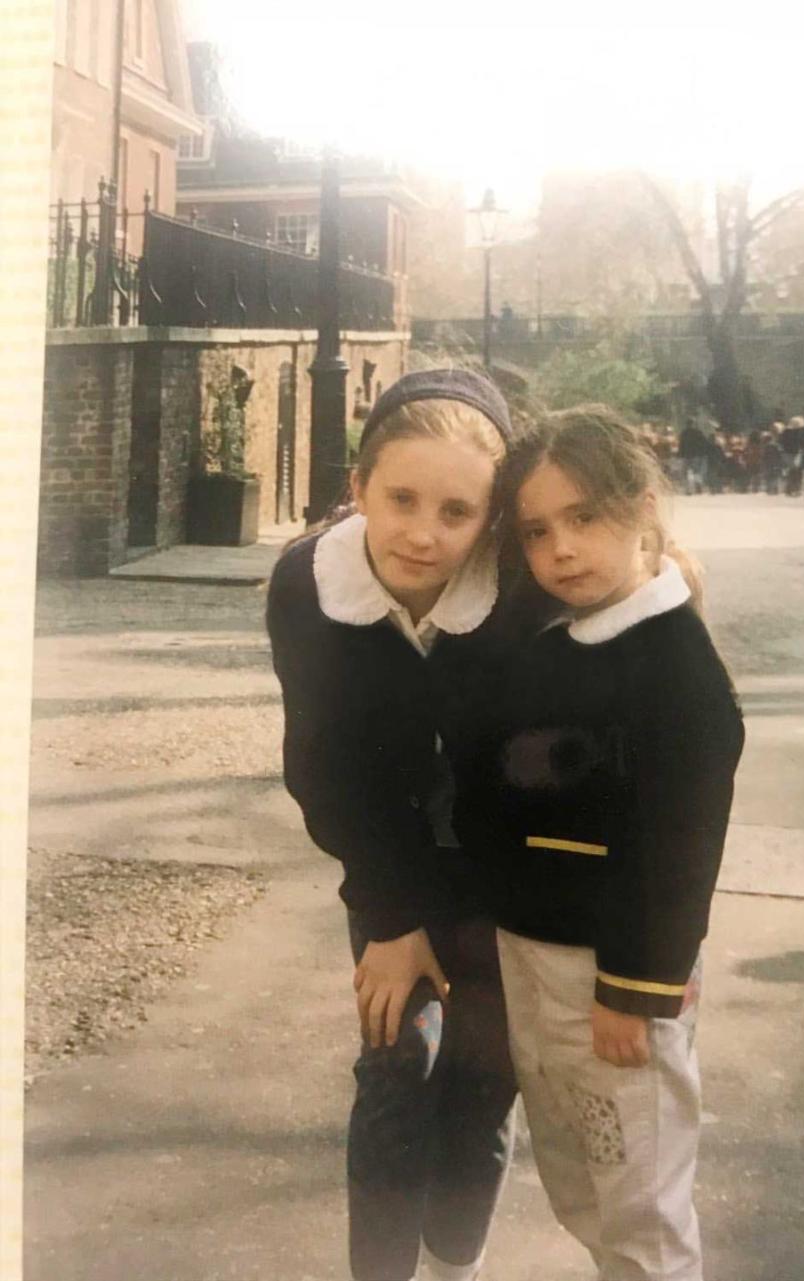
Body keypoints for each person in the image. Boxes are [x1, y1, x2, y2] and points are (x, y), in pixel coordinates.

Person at [447, 409, 745, 1281]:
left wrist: (634, 986)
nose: (562, 548)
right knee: (583, 1177)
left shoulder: (674, 668)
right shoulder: (560, 636)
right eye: (538, 530)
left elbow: (679, 853)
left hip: (609, 980)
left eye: (584, 518)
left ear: (642, 508)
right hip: (532, 954)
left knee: (640, 1199)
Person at [266, 369, 519, 1281]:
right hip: (391, 859)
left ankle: (456, 1266)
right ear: (359, 486)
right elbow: (324, 765)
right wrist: (392, 917)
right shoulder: (311, 583)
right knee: (394, 1066)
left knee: (484, 1085)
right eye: (401, 498)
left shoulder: (517, 596)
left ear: (491, 519)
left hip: (507, 869)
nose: (423, 531)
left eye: (457, 511)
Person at [678, 417, 708, 494]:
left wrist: (680, 454)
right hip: (696, 455)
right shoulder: (697, 432)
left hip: (686, 455)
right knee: (696, 472)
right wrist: (702, 453)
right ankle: (698, 487)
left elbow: (681, 445)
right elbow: (703, 443)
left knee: (685, 473)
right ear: (693, 424)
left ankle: (688, 490)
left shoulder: (683, 433)